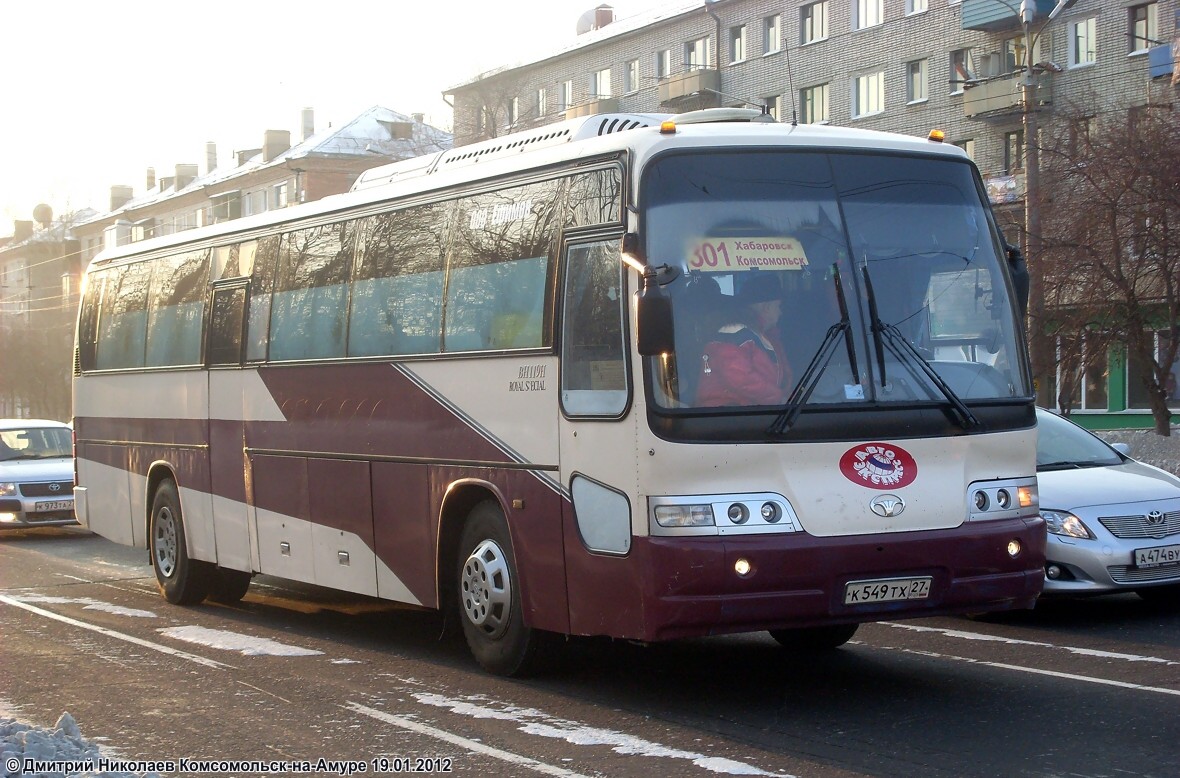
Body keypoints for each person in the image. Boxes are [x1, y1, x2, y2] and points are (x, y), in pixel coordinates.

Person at [695, 278, 793, 407]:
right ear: (766, 307)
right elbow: (740, 378)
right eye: (778, 306)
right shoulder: (733, 332)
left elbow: (784, 376)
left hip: (755, 413)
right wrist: (777, 398)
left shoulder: (769, 336)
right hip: (726, 415)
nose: (781, 312)